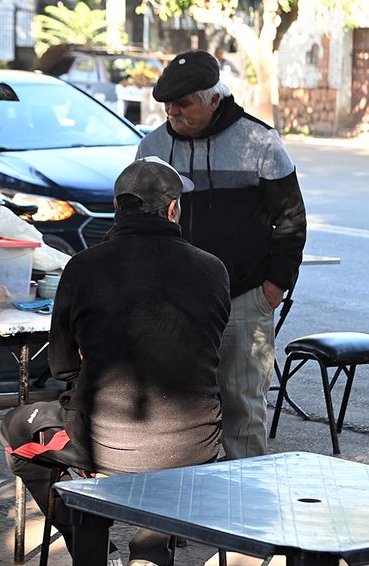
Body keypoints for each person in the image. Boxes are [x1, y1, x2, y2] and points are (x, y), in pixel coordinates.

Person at [0, 156, 231, 566]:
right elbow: (204, 351)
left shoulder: (82, 267)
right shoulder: (212, 269)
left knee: (15, 432)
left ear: (117, 209)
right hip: (197, 446)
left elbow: (64, 367)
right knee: (166, 450)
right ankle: (150, 554)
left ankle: (96, 554)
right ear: (171, 210)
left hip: (102, 445)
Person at [138, 50, 307, 461]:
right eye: (168, 104)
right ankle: (183, 511)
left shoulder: (260, 142)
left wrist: (273, 288)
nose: (173, 112)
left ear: (214, 100)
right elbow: (136, 220)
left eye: (184, 103)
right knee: (175, 408)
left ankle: (242, 515)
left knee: (242, 412)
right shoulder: (153, 146)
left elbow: (291, 221)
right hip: (173, 302)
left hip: (244, 297)